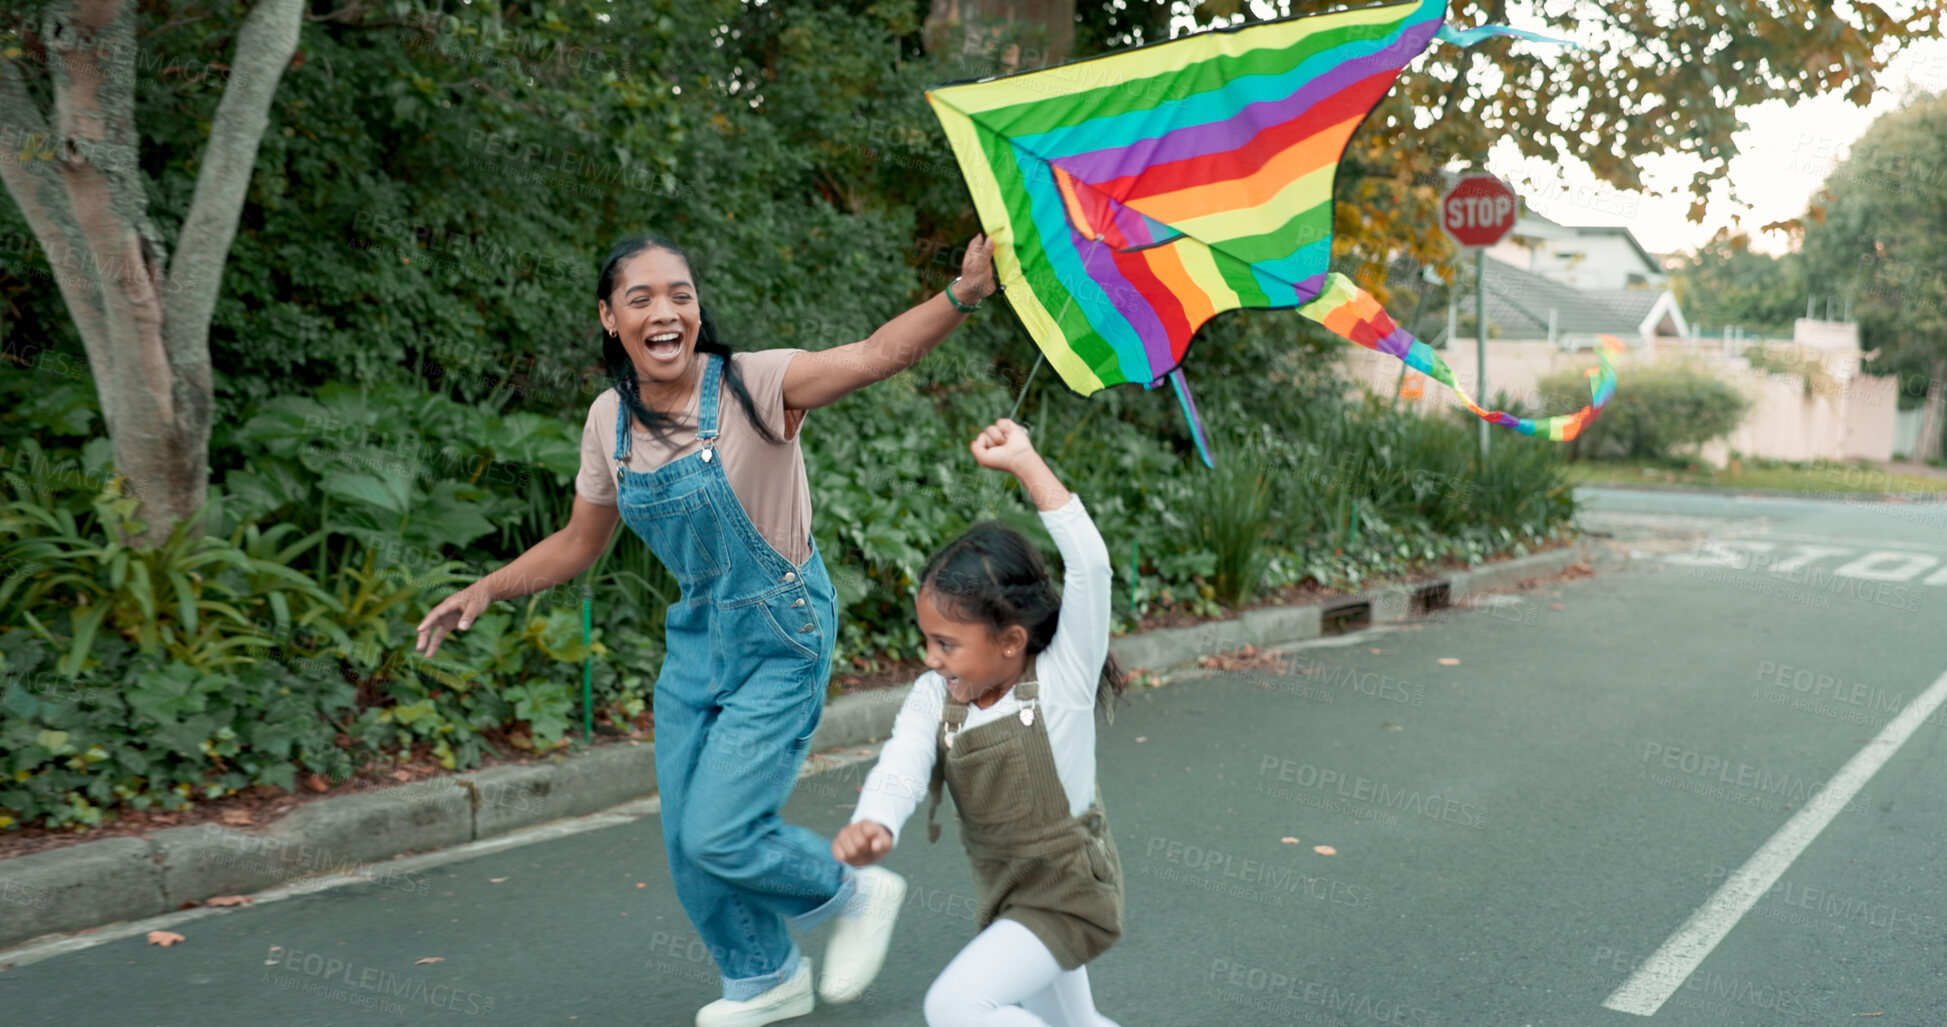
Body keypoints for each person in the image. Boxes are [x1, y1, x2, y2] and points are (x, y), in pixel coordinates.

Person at [414, 231, 998, 1027]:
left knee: (722, 830)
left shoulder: (755, 384)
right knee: (687, 836)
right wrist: (488, 585)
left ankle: (848, 889)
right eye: (641, 297)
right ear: (608, 318)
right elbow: (581, 542)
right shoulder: (608, 423)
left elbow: (873, 354)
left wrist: (961, 294)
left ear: (696, 308)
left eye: (680, 294)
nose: (665, 311)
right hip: (696, 634)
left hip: (783, 627)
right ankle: (762, 976)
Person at [832, 417, 1127, 1027]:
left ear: (1011, 640)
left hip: (1069, 890)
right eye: (927, 641)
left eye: (947, 644)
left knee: (957, 1007)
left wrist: (1025, 463)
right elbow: (902, 765)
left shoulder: (1062, 680)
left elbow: (1091, 567)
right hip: (1008, 892)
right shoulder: (932, 696)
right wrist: (875, 823)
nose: (931, 658)